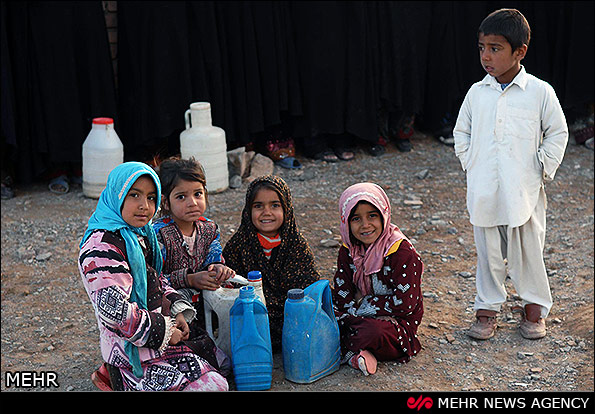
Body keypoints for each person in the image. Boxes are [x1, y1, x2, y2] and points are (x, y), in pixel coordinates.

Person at [453, 9, 568, 341]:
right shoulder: (477, 93)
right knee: (487, 250)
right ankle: (487, 308)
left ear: (520, 52)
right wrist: (470, 162)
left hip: (524, 190)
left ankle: (534, 306)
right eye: (481, 48)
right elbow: (462, 132)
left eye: (495, 48)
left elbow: (558, 133)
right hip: (484, 188)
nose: (486, 56)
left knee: (528, 248)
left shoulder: (539, 92)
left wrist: (541, 168)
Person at [78, 161, 229, 391]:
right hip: (132, 348)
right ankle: (117, 375)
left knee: (222, 370)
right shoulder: (101, 248)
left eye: (150, 198)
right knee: (210, 387)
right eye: (134, 195)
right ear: (117, 195)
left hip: (156, 337)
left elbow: (156, 280)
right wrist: (166, 331)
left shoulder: (138, 235)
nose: (144, 206)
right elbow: (116, 314)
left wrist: (176, 310)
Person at [332, 183, 424, 376]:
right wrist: (350, 312)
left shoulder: (402, 252)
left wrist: (362, 302)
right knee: (322, 314)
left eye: (372, 216)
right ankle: (359, 353)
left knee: (372, 332)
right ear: (345, 221)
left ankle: (347, 351)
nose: (365, 225)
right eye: (356, 218)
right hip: (356, 316)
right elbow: (342, 291)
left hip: (395, 324)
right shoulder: (349, 249)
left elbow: (404, 304)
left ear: (384, 214)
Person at [222, 175, 320, 350]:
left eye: (275, 205)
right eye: (258, 206)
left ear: (287, 209)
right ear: (248, 210)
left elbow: (310, 287)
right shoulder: (238, 245)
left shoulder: (296, 245)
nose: (266, 212)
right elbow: (229, 287)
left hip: (290, 317)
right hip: (254, 318)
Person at [153, 156, 235, 328]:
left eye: (198, 194)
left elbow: (214, 258)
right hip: (173, 302)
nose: (192, 203)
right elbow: (153, 279)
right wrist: (189, 279)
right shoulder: (158, 234)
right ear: (165, 202)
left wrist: (218, 268)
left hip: (202, 298)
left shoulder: (209, 229)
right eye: (181, 197)